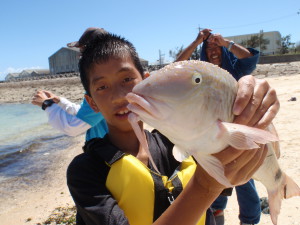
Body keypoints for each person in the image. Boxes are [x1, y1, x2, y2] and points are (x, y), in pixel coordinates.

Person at [66, 31, 279, 225]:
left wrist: (252, 106)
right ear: (91, 103)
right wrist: (205, 186)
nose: (120, 96)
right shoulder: (85, 171)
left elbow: (232, 170)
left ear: (147, 82)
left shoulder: (178, 139)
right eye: (102, 87)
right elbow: (210, 183)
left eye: (127, 79)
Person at [176, 29, 263, 225]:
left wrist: (226, 43)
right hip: (211, 135)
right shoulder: (201, 75)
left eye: (216, 47)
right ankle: (217, 212)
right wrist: (197, 41)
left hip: (238, 133)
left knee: (243, 177)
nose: (213, 51)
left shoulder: (235, 68)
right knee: (214, 173)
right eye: (208, 48)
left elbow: (251, 58)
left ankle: (250, 220)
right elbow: (176, 66)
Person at [32, 27, 109, 141]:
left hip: (111, 154)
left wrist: (47, 104)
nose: (79, 56)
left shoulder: (103, 86)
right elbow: (86, 114)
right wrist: (60, 101)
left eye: (82, 51)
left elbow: (72, 128)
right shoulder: (107, 80)